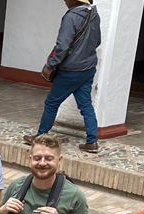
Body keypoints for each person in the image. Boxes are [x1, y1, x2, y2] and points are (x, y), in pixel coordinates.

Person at [23, 0, 102, 154]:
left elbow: (62, 46)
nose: (65, 1)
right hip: (88, 67)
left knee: (52, 103)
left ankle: (40, 137)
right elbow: (97, 41)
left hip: (70, 70)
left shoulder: (71, 16)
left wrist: (51, 65)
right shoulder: (94, 14)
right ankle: (92, 141)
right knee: (86, 106)